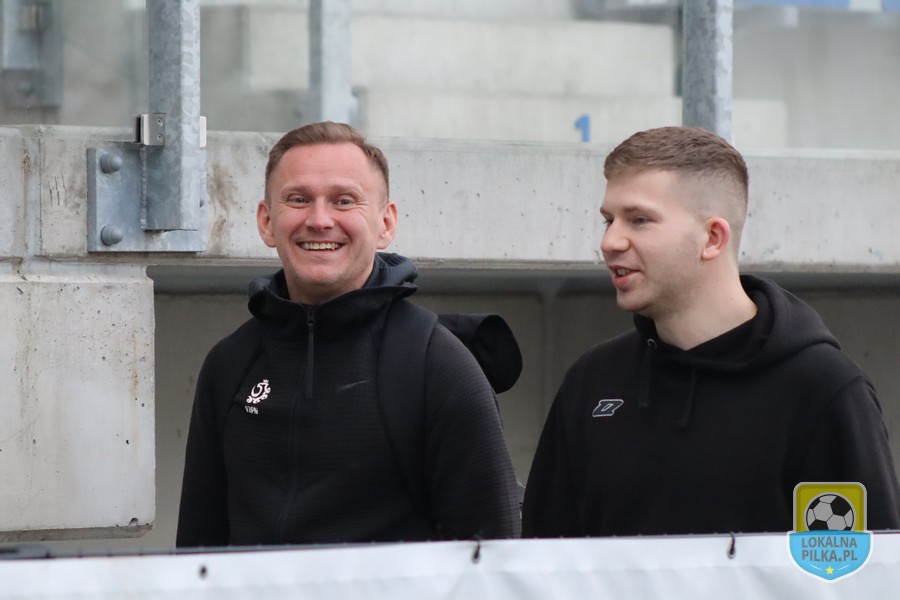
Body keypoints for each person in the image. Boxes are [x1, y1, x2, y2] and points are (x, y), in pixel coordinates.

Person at [521, 126, 900, 536]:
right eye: (608, 220)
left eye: (639, 220)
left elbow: (853, 566)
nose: (610, 241)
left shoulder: (821, 390)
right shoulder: (591, 383)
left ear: (713, 238)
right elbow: (542, 560)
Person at [176, 121, 521, 547]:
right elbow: (196, 555)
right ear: (266, 222)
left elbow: (494, 555)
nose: (320, 220)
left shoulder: (437, 366)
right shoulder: (229, 366)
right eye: (298, 199)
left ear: (385, 223)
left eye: (344, 201)